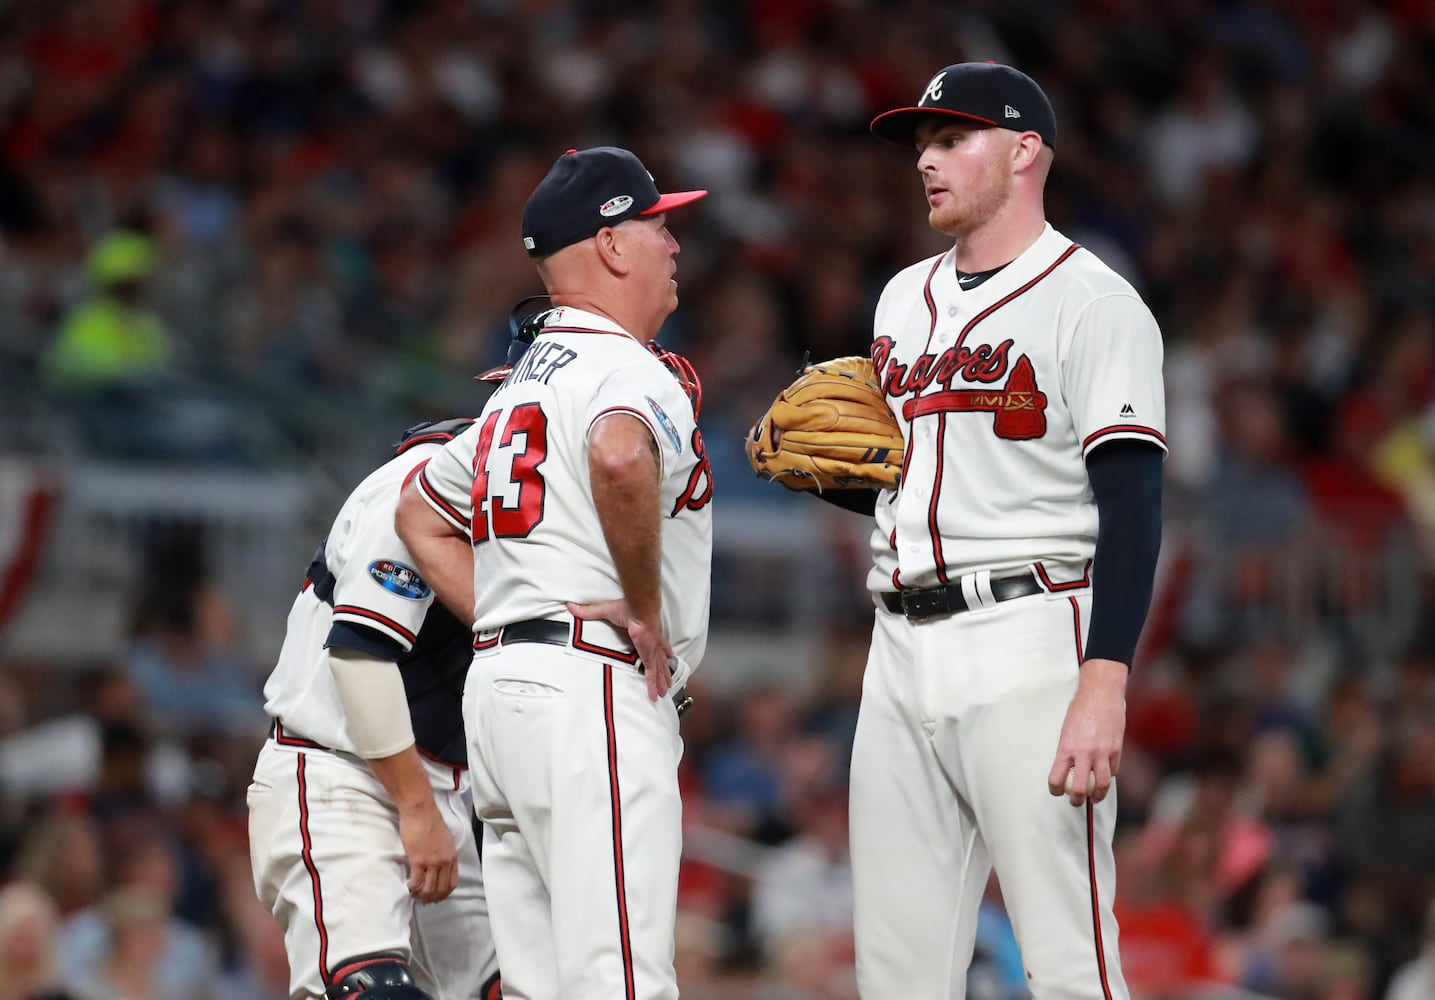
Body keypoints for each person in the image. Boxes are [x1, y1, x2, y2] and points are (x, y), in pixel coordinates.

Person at [848, 62, 1166, 998]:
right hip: (897, 641)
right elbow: (912, 484)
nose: (927, 163)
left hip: (1030, 632)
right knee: (896, 970)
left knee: (1067, 959)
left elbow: (1134, 505)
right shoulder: (901, 297)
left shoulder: (1093, 300)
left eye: (951, 140)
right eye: (922, 148)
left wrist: (1104, 681)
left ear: (1024, 150)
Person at [396, 145, 713, 999]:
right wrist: (644, 608)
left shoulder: (518, 386)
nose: (671, 243)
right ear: (611, 246)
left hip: (503, 697)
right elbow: (617, 454)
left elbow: (420, 512)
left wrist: (502, 618)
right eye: (655, 224)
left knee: (540, 985)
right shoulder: (623, 366)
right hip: (587, 693)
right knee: (621, 978)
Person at [246, 418, 499, 1000]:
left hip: (441, 791)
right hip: (338, 777)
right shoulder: (428, 481)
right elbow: (360, 660)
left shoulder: (545, 505)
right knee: (370, 990)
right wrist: (416, 809)